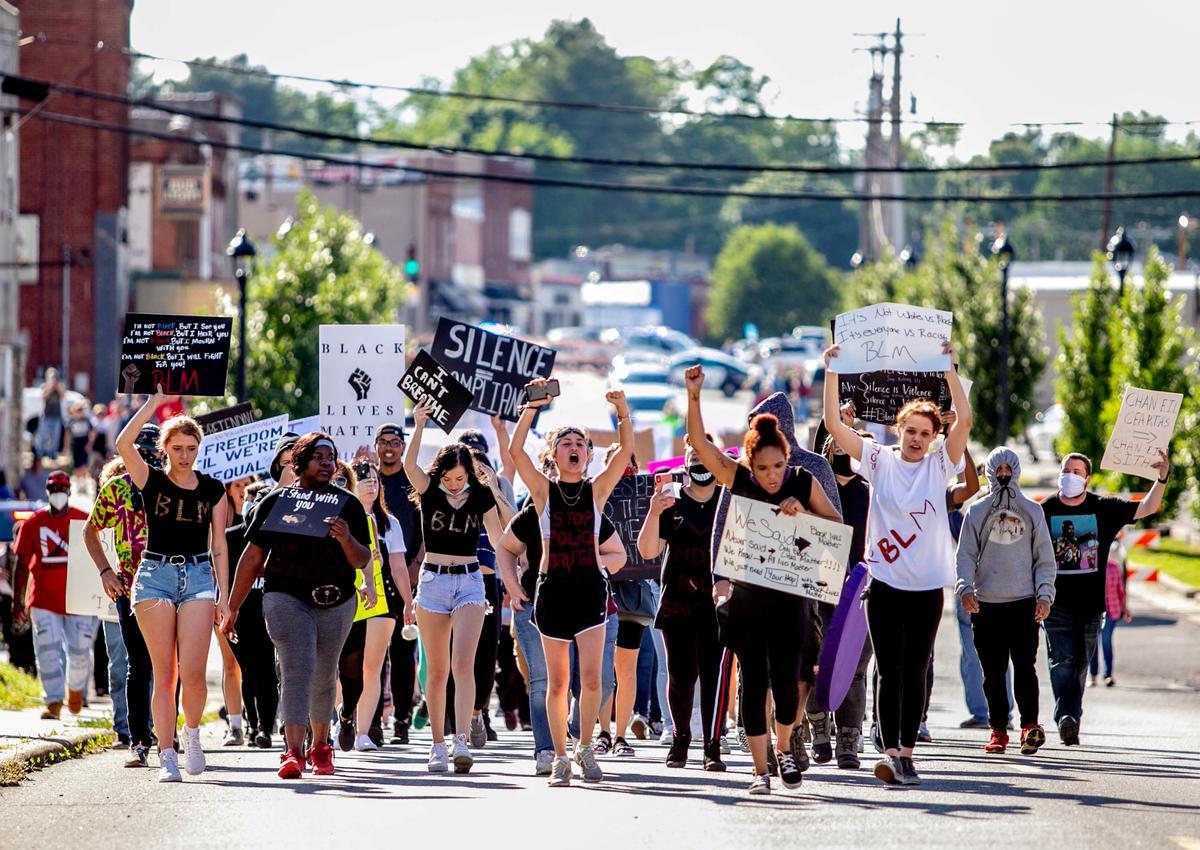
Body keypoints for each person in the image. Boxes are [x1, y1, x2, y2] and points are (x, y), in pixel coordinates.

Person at [685, 365, 842, 795]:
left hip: (791, 599)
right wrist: (694, 395)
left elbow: (835, 528)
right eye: (763, 467)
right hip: (749, 600)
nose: (771, 475)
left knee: (789, 684)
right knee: (753, 683)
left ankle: (785, 744)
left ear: (786, 459)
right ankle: (760, 771)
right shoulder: (739, 481)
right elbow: (701, 445)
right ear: (750, 463)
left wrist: (804, 512)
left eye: (777, 466)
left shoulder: (803, 481)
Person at [822, 339, 971, 787]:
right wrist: (832, 370)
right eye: (911, 431)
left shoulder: (940, 466)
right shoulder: (878, 460)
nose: (917, 439)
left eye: (926, 433)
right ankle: (889, 753)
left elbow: (965, 420)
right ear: (898, 430)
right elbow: (833, 424)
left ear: (933, 439)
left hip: (927, 588)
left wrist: (950, 369)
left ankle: (907, 752)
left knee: (915, 668)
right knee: (889, 670)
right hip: (883, 584)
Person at [507, 381, 633, 787]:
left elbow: (626, 453)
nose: (574, 446)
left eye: (580, 442)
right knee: (558, 682)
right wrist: (532, 407)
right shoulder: (543, 492)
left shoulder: (597, 492)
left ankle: (586, 748)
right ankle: (560, 756)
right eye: (566, 442)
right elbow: (514, 451)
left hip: (590, 592)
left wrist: (622, 409)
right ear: (554, 455)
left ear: (587, 454)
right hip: (553, 593)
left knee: (593, 680)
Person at [225, 433, 371, 779]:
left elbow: (363, 558)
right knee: (297, 667)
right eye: (318, 456)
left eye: (330, 457)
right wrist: (232, 606)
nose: (326, 463)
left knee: (324, 673)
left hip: (336, 599)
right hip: (285, 597)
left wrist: (345, 537)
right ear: (299, 462)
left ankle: (321, 746)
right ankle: (292, 751)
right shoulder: (277, 501)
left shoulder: (347, 504)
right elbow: (252, 556)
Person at [116, 391, 229, 783]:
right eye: (178, 448)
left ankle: (192, 733)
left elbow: (219, 546)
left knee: (194, 674)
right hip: (154, 576)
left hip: (198, 577)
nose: (185, 455)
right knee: (164, 674)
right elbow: (122, 444)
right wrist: (152, 403)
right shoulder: (152, 481)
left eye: (192, 448)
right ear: (164, 449)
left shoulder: (213, 489)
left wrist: (225, 597)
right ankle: (165, 753)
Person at [404, 399, 506, 774]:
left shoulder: (480, 496)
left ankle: (462, 739)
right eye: (448, 478)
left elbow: (499, 538)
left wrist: (495, 491)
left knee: (464, 664)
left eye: (460, 478)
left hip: (469, 582)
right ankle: (437, 744)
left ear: (469, 474)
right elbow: (409, 466)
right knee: (437, 670)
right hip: (432, 582)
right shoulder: (430, 491)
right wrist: (418, 425)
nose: (453, 484)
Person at [1040, 450, 1167, 745]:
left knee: (1082, 663)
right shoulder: (1045, 509)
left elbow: (1149, 507)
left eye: (1076, 471)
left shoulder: (1104, 508)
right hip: (1054, 603)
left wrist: (1162, 477)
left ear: (1087, 478)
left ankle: (1071, 715)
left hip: (1090, 605)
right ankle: (1067, 717)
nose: (1070, 475)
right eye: (1066, 469)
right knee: (1061, 661)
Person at [637, 439, 732, 772]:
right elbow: (648, 551)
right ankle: (680, 737)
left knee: (714, 677)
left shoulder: (730, 500)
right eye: (694, 457)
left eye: (707, 457)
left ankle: (713, 745)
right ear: (685, 462)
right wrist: (653, 511)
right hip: (677, 602)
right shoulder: (671, 500)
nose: (701, 464)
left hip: (719, 604)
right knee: (680, 677)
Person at [956, 447, 1056, 755]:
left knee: (1026, 668)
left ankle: (1030, 726)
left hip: (1024, 603)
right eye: (997, 469)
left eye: (1007, 469)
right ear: (988, 472)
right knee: (993, 673)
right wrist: (965, 589)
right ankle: (998, 730)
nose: (1003, 474)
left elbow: (1044, 559)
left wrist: (1044, 594)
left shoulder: (1033, 511)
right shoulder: (976, 512)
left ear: (1016, 470)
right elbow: (965, 556)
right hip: (986, 605)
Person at [85, 426, 158, 766]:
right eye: (139, 452)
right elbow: (90, 530)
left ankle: (167, 736)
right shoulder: (117, 489)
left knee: (168, 665)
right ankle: (138, 739)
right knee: (137, 664)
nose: (146, 460)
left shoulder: (177, 485)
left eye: (152, 454)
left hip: (171, 586)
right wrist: (105, 571)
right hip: (129, 587)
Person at [807, 406, 875, 769]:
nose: (845, 453)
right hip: (818, 586)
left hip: (861, 587)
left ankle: (848, 737)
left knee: (854, 667)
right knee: (816, 662)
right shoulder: (817, 485)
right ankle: (819, 731)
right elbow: (821, 438)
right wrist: (835, 415)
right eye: (838, 445)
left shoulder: (871, 490)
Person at [339, 459, 414, 752]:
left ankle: (362, 733)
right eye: (362, 477)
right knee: (344, 668)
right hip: (347, 594)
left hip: (381, 599)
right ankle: (342, 718)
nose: (370, 481)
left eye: (373, 477)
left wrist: (408, 602)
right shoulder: (342, 518)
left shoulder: (389, 522)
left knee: (373, 667)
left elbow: (397, 567)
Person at [11, 470, 96, 720]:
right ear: (47, 492)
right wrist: (18, 601)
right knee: (47, 650)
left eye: (62, 489)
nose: (58, 494)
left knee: (80, 651)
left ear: (68, 491)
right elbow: (22, 563)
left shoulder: (84, 521)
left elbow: (98, 555)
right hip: (43, 600)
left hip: (77, 599)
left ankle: (75, 690)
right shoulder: (33, 523)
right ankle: (53, 701)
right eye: (53, 489)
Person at [367, 423, 421, 744]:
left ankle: (401, 717)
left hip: (406, 574)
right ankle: (371, 720)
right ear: (376, 446)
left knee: (403, 650)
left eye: (394, 442)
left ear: (402, 446)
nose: (389, 448)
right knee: (372, 654)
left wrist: (415, 566)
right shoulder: (369, 481)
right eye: (383, 442)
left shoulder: (412, 482)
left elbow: (426, 528)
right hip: (372, 577)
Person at [223, 480, 278, 749]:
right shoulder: (232, 536)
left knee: (268, 671)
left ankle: (266, 727)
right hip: (241, 615)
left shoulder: (279, 536)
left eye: (260, 498)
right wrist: (224, 608)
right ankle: (252, 722)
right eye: (249, 497)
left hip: (271, 612)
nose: (253, 503)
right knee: (249, 670)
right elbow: (220, 575)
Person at [215, 478, 252, 747]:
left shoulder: (260, 516)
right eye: (237, 485)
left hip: (257, 598)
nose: (242, 490)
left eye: (247, 485)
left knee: (255, 666)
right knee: (231, 664)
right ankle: (235, 724)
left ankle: (258, 720)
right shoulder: (219, 521)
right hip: (224, 599)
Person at [1090, 541, 1132, 687]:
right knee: (1093, 644)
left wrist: (1125, 609)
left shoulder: (1114, 567)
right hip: (1093, 611)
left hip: (1111, 611)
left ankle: (1108, 674)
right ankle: (1093, 675)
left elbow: (1121, 591)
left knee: (1106, 641)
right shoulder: (1090, 567)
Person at [37, 368, 65, 461]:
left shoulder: (59, 386)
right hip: (46, 415)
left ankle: (52, 454)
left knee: (55, 436)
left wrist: (57, 386)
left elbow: (63, 396)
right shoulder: (45, 386)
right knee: (43, 435)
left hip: (57, 415)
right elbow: (43, 397)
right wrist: (50, 387)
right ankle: (40, 453)